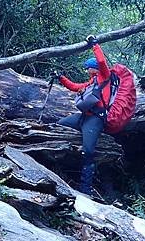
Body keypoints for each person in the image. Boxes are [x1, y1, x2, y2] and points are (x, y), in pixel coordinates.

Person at [53, 35, 135, 195]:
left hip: (95, 120)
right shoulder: (92, 82)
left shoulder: (105, 76)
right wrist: (60, 78)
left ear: (93, 67)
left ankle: (86, 189)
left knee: (88, 151)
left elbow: (103, 62)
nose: (86, 70)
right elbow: (75, 87)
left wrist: (95, 44)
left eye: (87, 67)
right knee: (59, 125)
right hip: (83, 117)